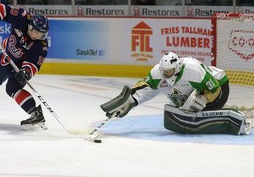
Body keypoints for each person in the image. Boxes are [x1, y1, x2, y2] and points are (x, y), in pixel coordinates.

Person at [101, 52, 251, 135]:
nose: (166, 74)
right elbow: (146, 89)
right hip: (193, 92)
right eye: (164, 71)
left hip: (219, 87)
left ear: (177, 68)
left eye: (169, 71)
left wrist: (204, 99)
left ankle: (227, 117)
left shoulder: (193, 71)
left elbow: (215, 89)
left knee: (195, 109)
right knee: (185, 106)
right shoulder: (157, 73)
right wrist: (130, 101)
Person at [0, 3, 49, 130]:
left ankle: (36, 114)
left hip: (19, 66)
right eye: (35, 32)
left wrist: (26, 72)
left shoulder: (41, 46)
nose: (37, 36)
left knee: (12, 88)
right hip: (5, 58)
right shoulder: (22, 17)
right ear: (30, 26)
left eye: (41, 34)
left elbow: (33, 63)